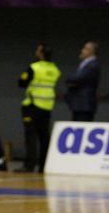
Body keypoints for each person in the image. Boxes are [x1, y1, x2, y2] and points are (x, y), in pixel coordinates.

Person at [17, 43, 60, 173]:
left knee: (31, 136)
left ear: (41, 53)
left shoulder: (34, 67)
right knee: (44, 136)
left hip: (33, 105)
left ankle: (29, 165)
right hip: (47, 106)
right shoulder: (55, 69)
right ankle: (43, 166)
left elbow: (21, 82)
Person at [64, 41, 100, 122]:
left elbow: (79, 78)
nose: (82, 51)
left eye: (85, 49)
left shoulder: (92, 65)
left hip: (84, 104)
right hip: (79, 103)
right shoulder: (85, 64)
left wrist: (69, 79)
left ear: (91, 51)